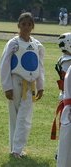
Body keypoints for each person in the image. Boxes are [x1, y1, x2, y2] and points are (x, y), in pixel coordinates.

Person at [0, 12, 45, 158]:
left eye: (29, 24)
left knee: (24, 117)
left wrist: (41, 85)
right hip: (15, 81)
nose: (26, 27)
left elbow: (40, 66)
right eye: (23, 24)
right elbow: (4, 64)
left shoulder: (36, 45)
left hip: (29, 85)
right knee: (15, 116)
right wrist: (7, 87)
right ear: (18, 25)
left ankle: (17, 149)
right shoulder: (14, 43)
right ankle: (15, 149)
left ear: (33, 26)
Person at [51, 33, 71, 161]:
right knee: (66, 130)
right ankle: (61, 153)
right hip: (67, 98)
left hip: (64, 95)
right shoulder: (67, 62)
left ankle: (60, 152)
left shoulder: (62, 59)